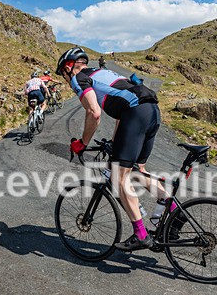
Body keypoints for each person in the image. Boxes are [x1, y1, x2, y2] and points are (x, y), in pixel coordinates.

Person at [56, 47, 169, 251]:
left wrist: (81, 143)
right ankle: (167, 201)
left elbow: (94, 112)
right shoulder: (101, 73)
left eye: (63, 75)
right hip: (151, 113)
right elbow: (120, 116)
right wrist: (116, 143)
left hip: (136, 114)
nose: (66, 80)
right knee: (136, 171)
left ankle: (141, 235)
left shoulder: (78, 78)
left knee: (118, 178)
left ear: (67, 67)